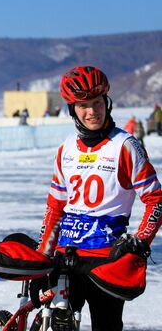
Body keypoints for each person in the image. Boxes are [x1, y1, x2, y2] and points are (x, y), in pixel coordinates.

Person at [34, 66, 162, 331]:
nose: (92, 111)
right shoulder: (66, 148)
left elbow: (156, 199)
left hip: (106, 260)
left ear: (107, 102)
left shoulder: (125, 146)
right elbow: (55, 208)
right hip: (65, 257)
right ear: (73, 110)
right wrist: (42, 256)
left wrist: (140, 240)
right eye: (83, 105)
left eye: (97, 102)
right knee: (56, 325)